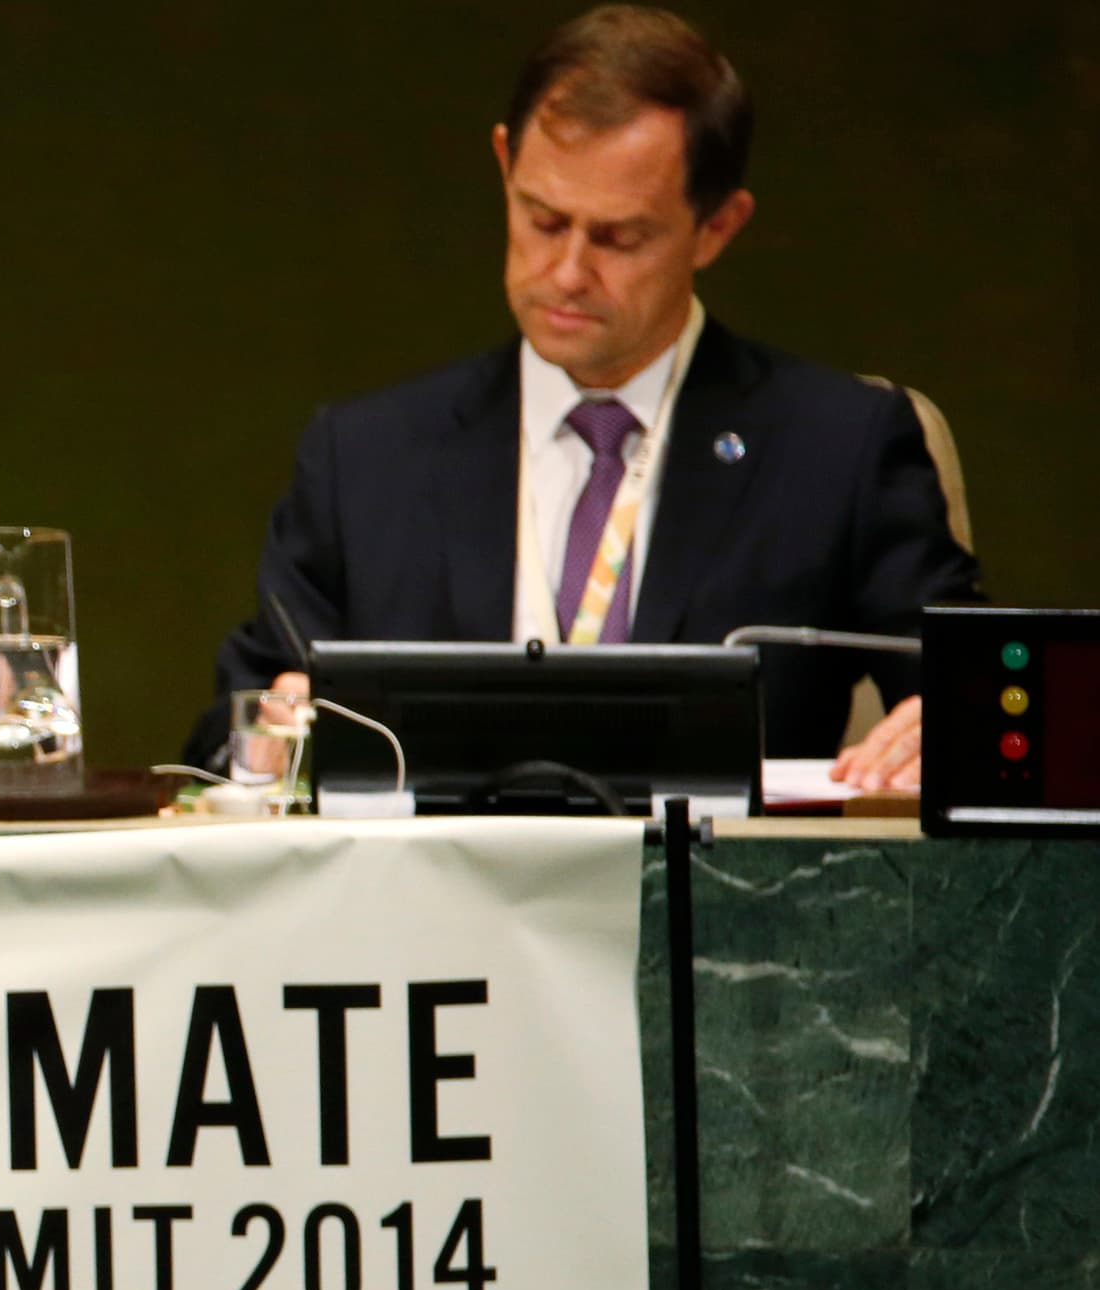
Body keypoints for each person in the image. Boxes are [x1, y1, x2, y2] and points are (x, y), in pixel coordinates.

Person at [195, 5, 977, 789]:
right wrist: (270, 731)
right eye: (542, 219)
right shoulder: (367, 459)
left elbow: (984, 691)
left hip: (720, 899)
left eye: (619, 238)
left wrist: (958, 717)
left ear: (717, 227)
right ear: (504, 165)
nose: (567, 271)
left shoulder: (835, 446)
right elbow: (229, 730)